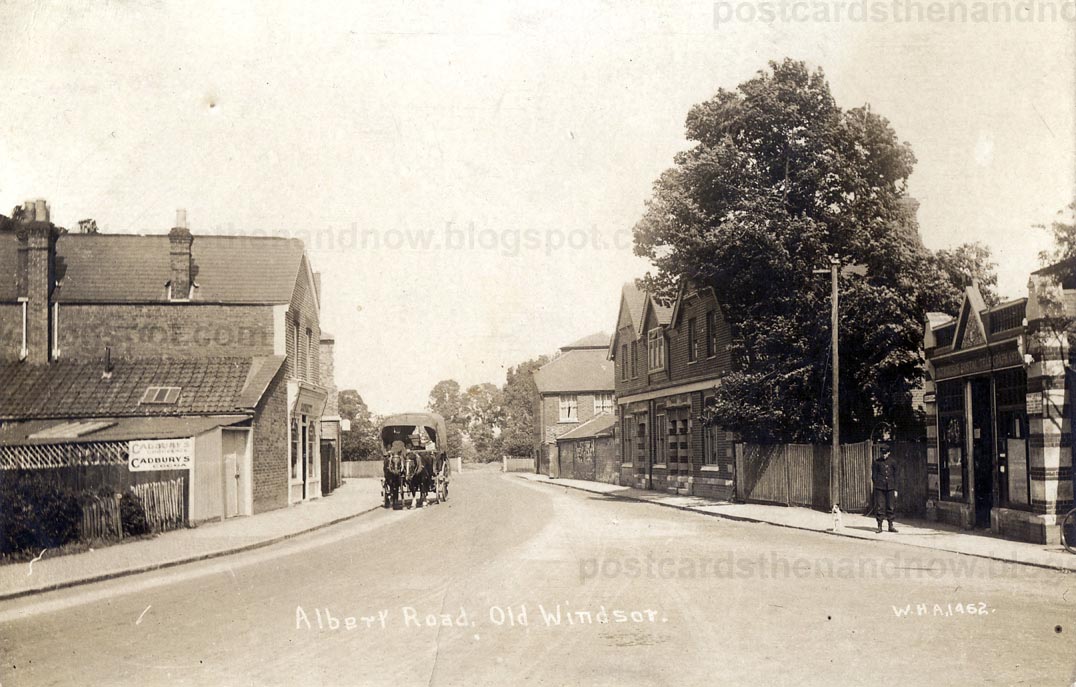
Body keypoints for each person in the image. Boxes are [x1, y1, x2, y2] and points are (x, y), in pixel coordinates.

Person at [872, 443, 899, 533]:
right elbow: (874, 476)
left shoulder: (893, 462)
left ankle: (890, 525)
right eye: (882, 453)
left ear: (889, 453)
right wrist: (877, 484)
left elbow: (896, 476)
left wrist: (895, 489)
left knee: (891, 506)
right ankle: (879, 526)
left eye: (885, 453)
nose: (883, 455)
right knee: (880, 506)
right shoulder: (877, 462)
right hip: (880, 488)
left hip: (890, 487)